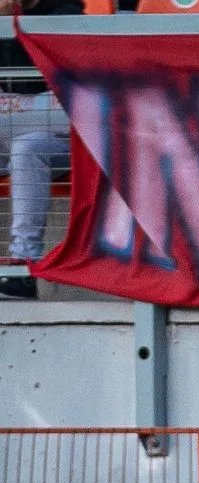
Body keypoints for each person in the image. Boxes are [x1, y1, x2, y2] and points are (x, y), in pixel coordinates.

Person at [0, 0, 78, 300]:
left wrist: (10, 24)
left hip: (59, 139)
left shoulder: (66, 13)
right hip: (7, 128)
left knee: (27, 148)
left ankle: (23, 265)